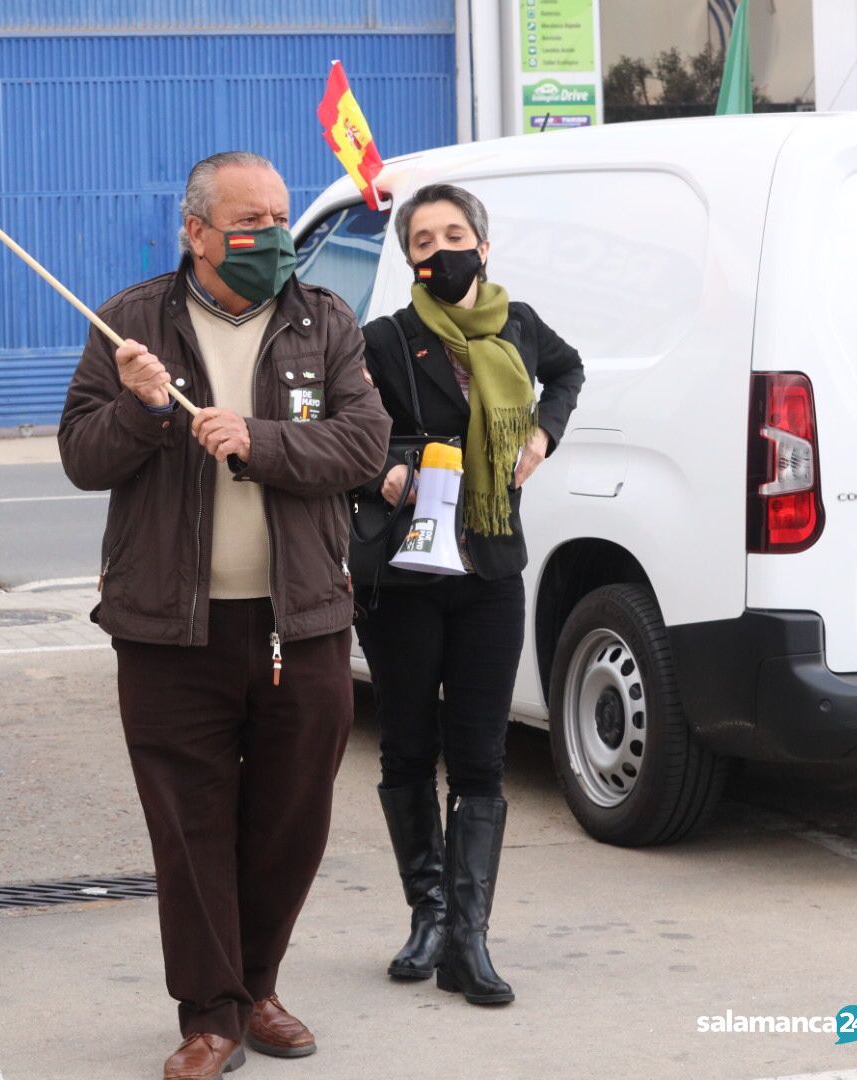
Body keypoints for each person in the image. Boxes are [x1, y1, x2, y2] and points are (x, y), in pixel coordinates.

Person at [58, 150, 390, 1080]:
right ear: (196, 232)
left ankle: (257, 984)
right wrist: (146, 411)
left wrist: (261, 441)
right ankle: (210, 1015)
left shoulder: (323, 322)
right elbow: (82, 456)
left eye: (283, 218)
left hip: (303, 620)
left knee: (292, 818)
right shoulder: (128, 323)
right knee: (190, 821)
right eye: (253, 222)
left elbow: (361, 443)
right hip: (170, 628)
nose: (275, 238)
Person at [356, 183, 584, 1006]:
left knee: (482, 758)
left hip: (490, 567)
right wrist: (379, 464)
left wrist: (544, 432)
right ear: (409, 256)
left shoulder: (518, 327)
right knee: (410, 747)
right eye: (425, 238)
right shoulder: (384, 339)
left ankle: (469, 943)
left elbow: (567, 370)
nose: (442, 248)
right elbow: (349, 422)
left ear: (484, 247)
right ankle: (428, 914)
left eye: (456, 233)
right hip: (406, 576)